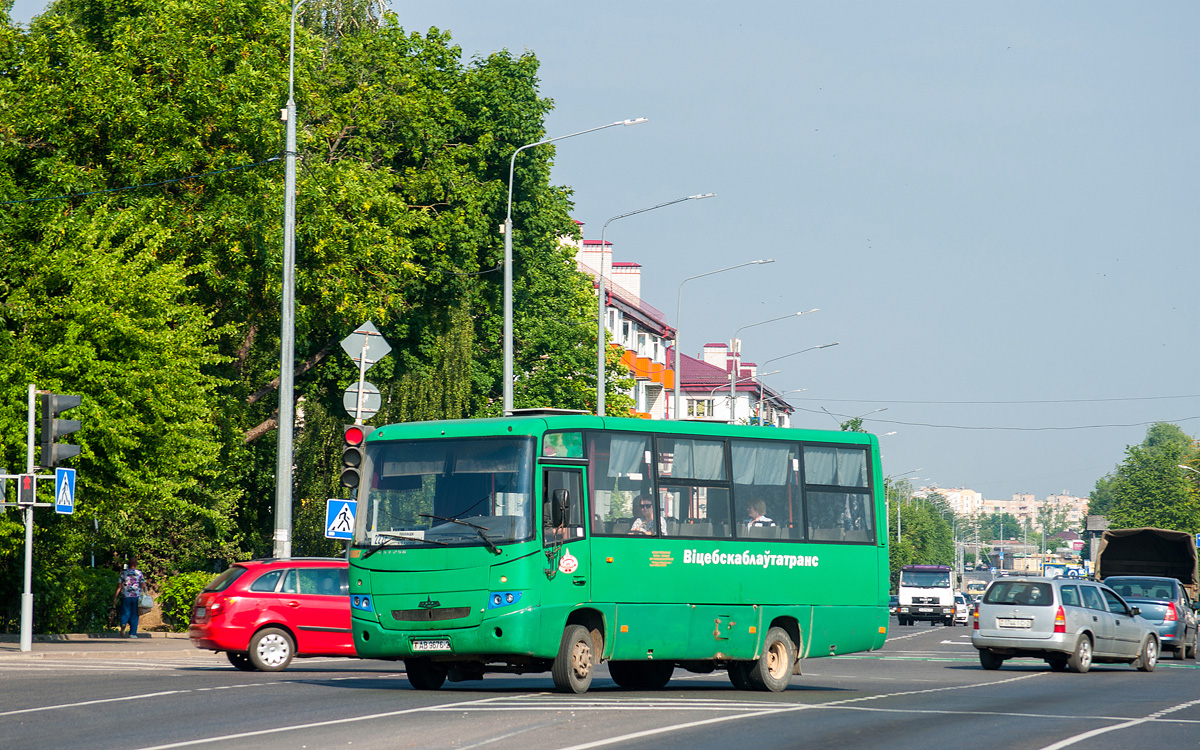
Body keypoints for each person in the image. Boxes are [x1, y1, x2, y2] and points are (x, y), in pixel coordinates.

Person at [113, 556, 148, 638]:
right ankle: (132, 633)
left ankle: (123, 623)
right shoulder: (139, 573)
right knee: (135, 614)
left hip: (125, 596)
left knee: (125, 612)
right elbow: (143, 585)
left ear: (128, 564)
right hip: (136, 596)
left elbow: (119, 586)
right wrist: (146, 594)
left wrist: (115, 597)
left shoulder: (124, 573)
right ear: (136, 564)